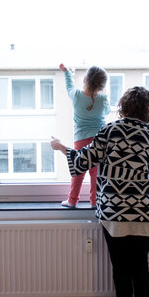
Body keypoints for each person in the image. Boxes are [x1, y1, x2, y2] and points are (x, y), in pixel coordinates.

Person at [50, 86, 149, 297]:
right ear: (148, 110)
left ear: (124, 106)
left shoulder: (111, 130)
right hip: (144, 213)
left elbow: (82, 163)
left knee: (122, 269)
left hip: (115, 214)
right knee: (141, 268)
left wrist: (62, 147)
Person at [58, 63, 110, 208]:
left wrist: (67, 73)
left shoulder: (76, 96)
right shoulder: (103, 99)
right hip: (100, 140)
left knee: (78, 171)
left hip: (81, 139)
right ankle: (94, 202)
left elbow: (69, 87)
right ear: (102, 86)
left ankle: (72, 200)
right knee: (96, 173)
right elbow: (106, 112)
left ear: (85, 80)